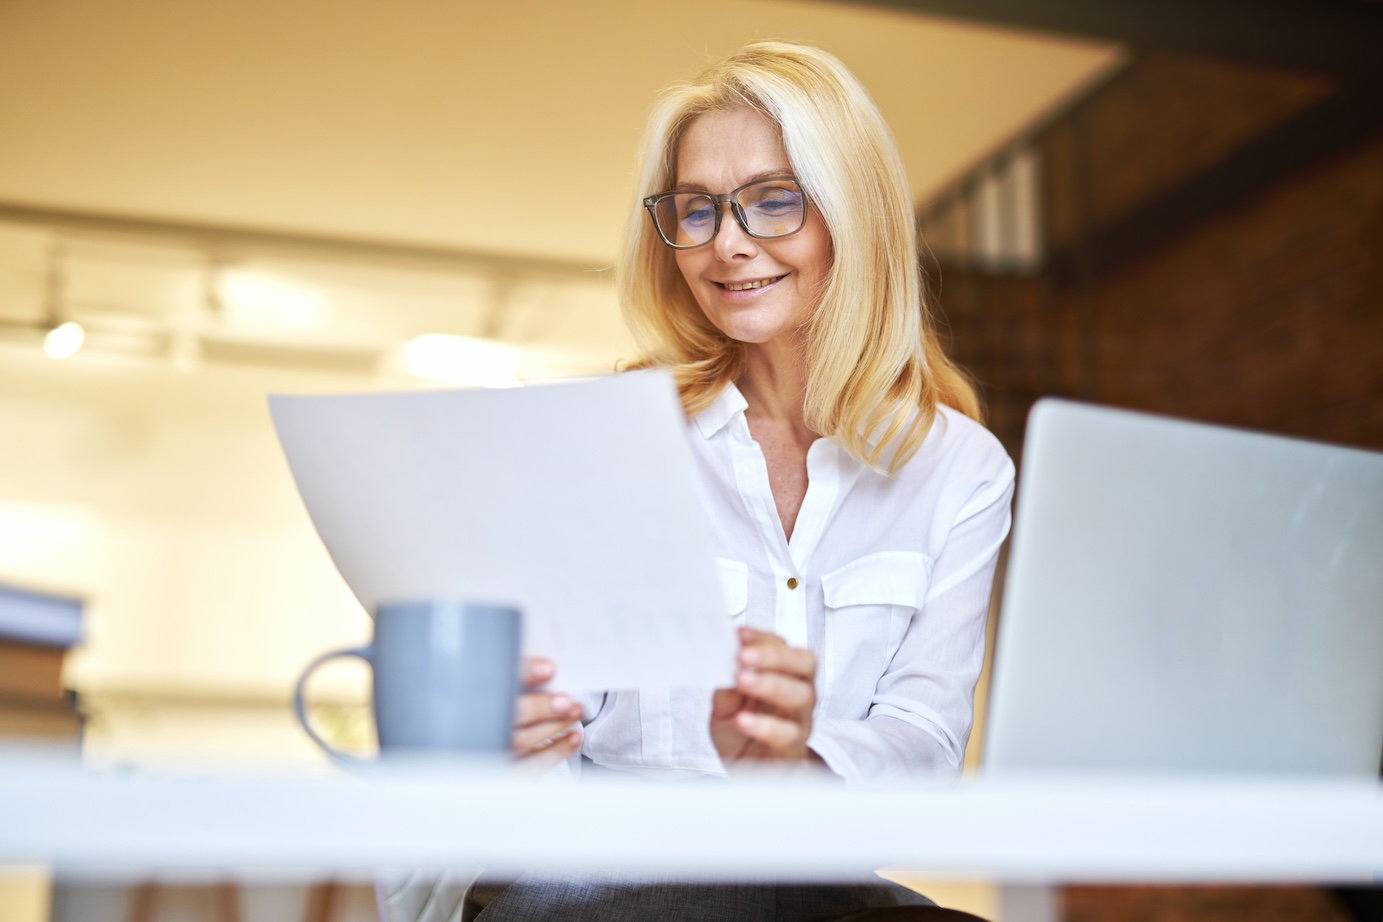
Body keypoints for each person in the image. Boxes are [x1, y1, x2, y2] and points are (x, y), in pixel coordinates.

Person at [384, 40, 1014, 922]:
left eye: (771, 201)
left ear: (852, 214)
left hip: (811, 881)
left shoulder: (958, 469)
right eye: (695, 210)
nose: (725, 245)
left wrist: (797, 765)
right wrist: (510, 754)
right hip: (602, 871)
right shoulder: (603, 437)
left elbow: (923, 739)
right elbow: (549, 735)